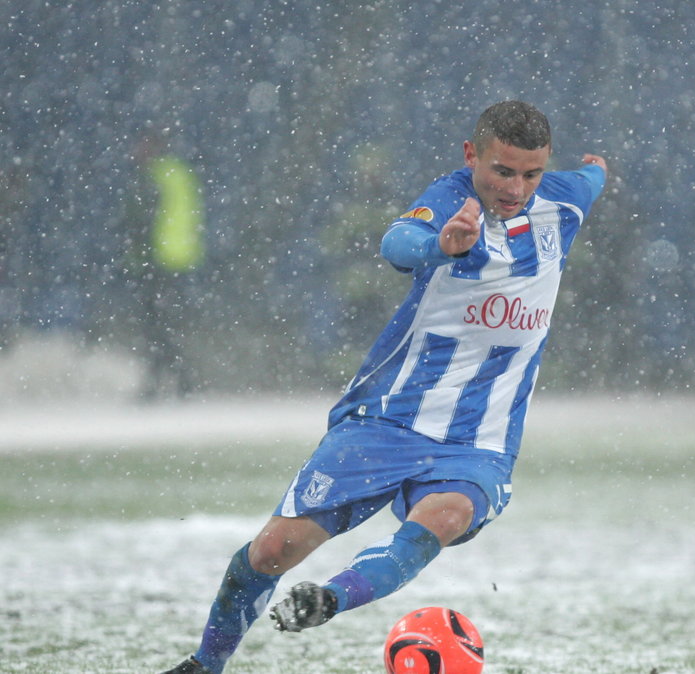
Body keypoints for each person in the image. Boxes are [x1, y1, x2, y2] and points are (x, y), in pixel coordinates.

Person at [161, 100, 607, 674]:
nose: (516, 187)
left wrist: (597, 168)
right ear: (472, 155)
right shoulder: (452, 200)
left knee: (441, 521)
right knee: (273, 550)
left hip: (480, 439)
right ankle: (205, 666)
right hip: (388, 417)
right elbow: (397, 243)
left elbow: (591, 176)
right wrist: (440, 247)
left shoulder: (567, 197)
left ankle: (329, 599)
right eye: (502, 170)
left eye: (531, 173)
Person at [123, 130, 206, 399]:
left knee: (156, 328)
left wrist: (135, 256)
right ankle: (176, 381)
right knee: (166, 326)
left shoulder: (153, 178)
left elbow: (141, 222)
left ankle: (167, 382)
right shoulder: (180, 173)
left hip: (157, 262)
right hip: (179, 259)